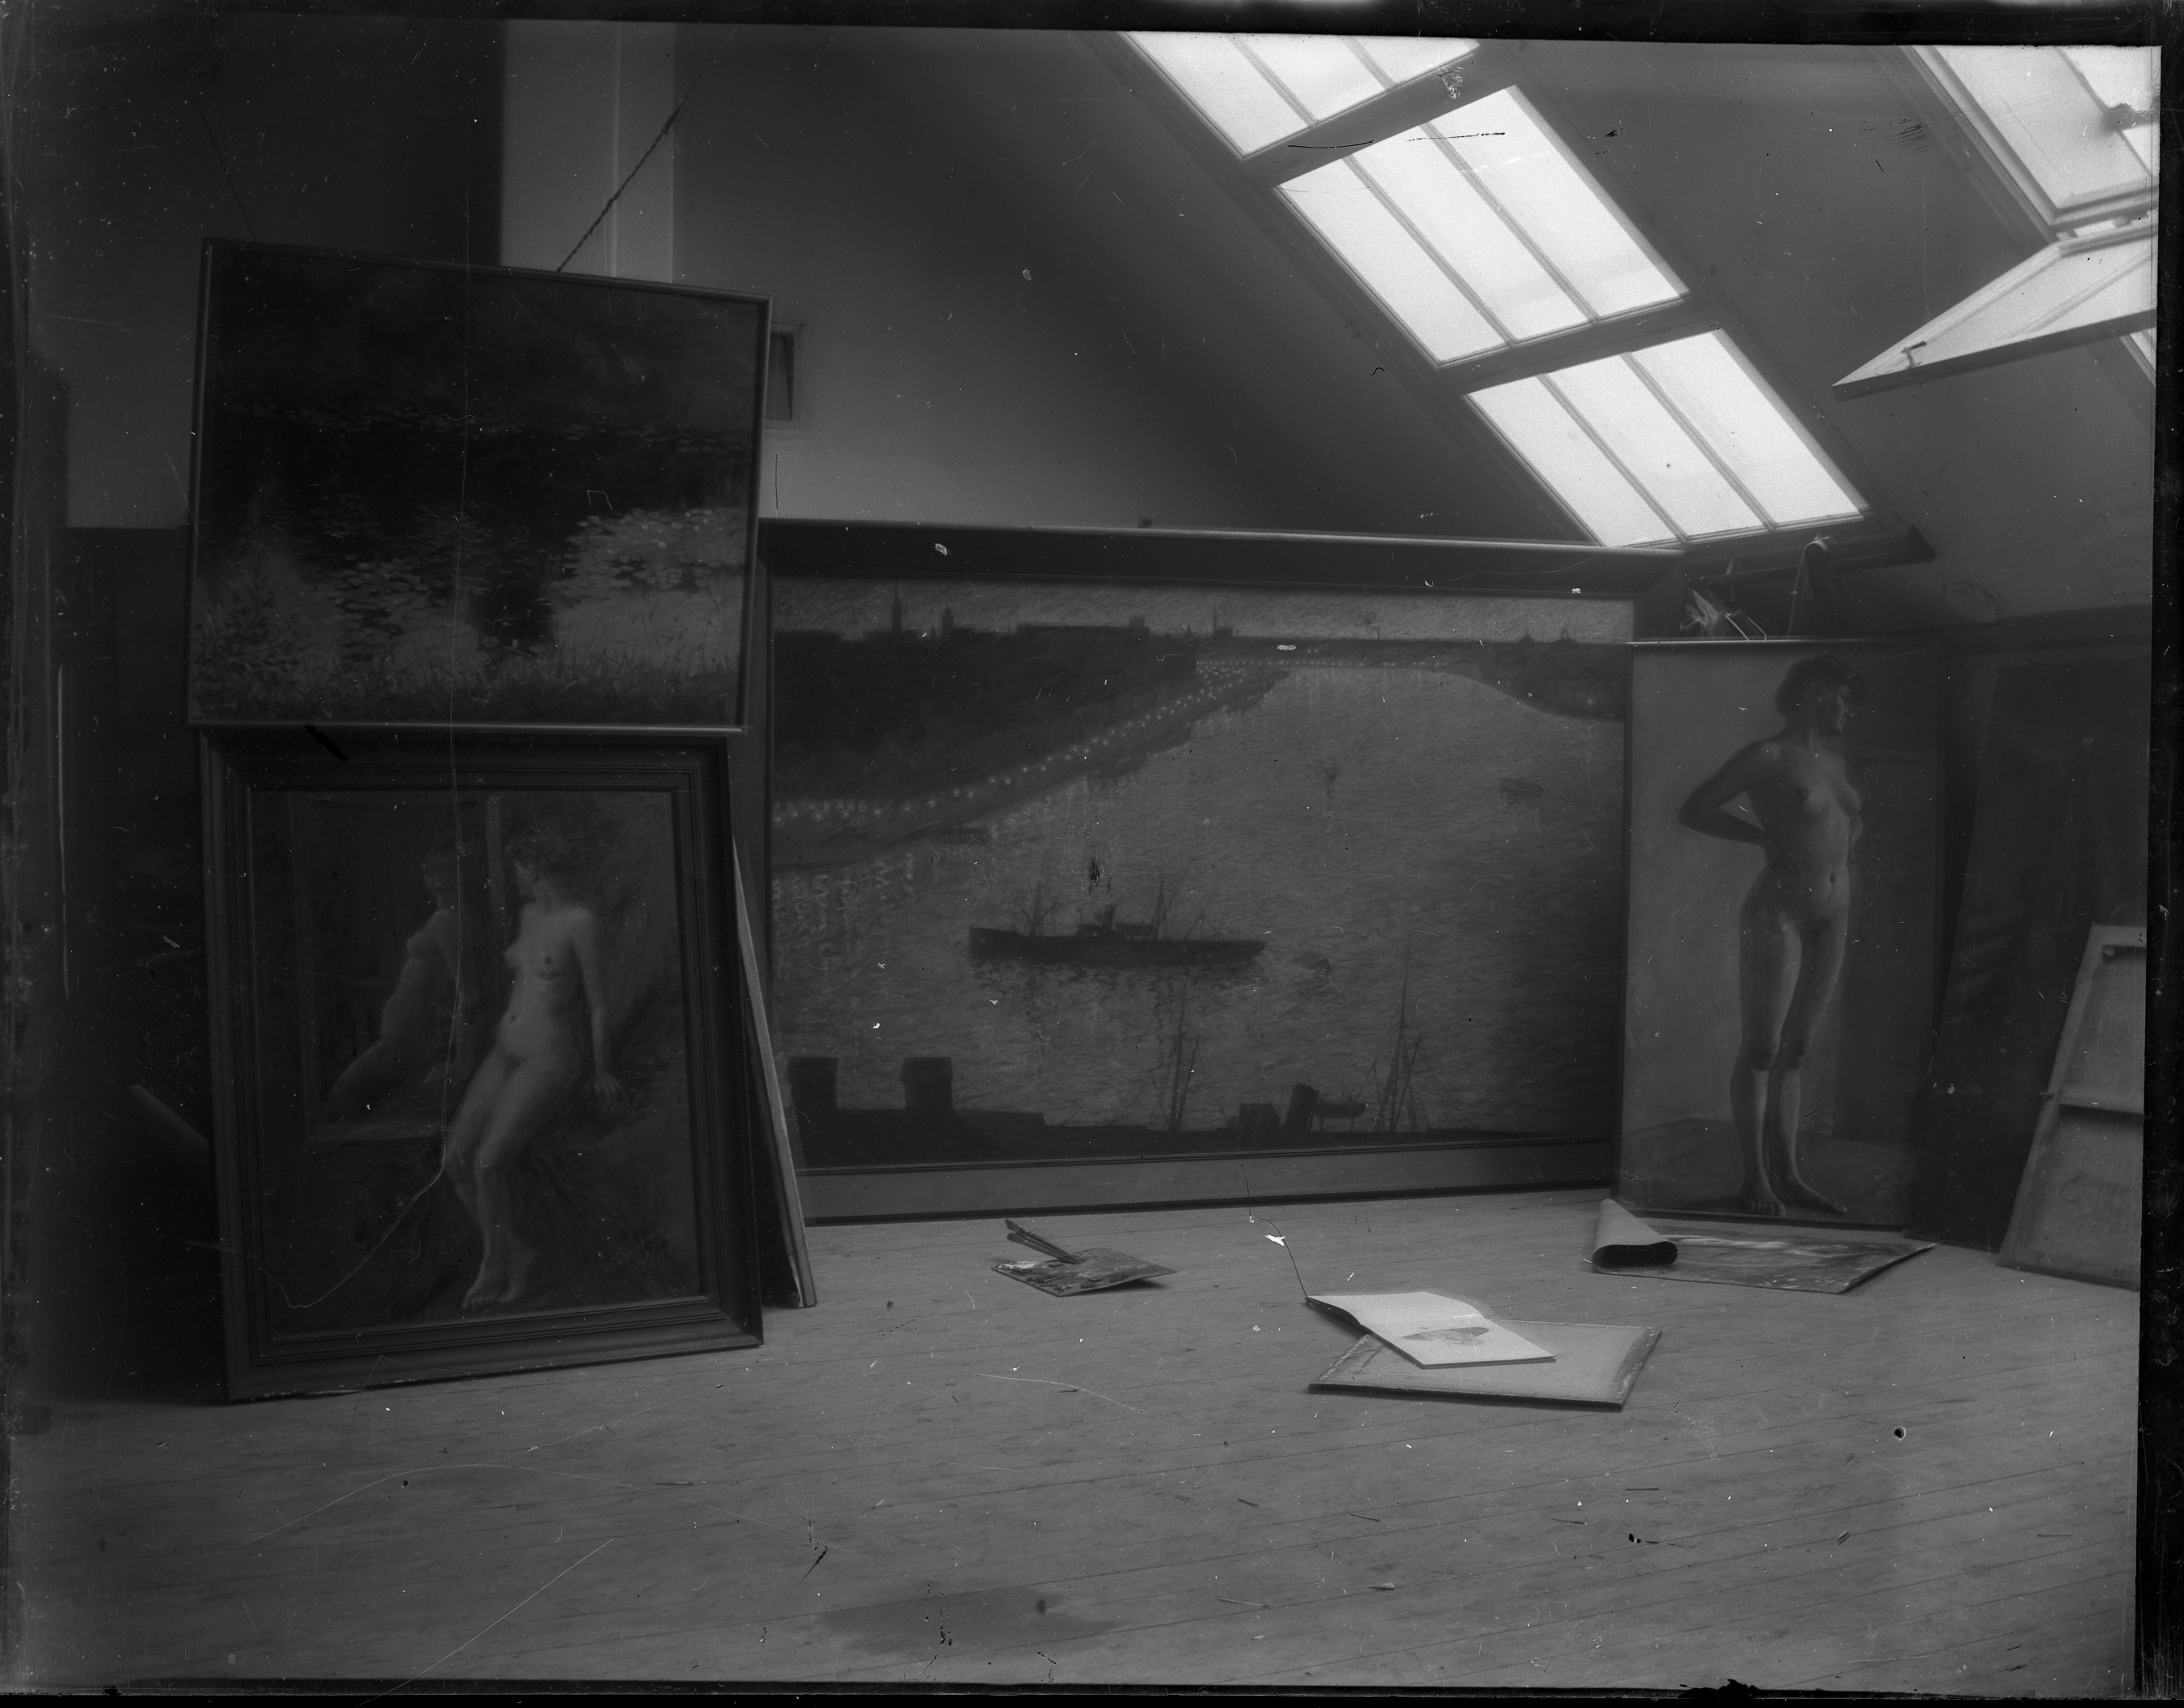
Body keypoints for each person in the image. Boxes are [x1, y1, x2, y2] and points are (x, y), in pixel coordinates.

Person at [1677, 654, 1862, 1218]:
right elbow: (1695, 809)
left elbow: (1845, 824)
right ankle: (1755, 1179)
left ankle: (1791, 1177)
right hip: (1777, 910)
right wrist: (1762, 838)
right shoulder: (1767, 756)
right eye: (1842, 697)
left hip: (1833, 912)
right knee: (1763, 1047)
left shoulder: (1835, 763)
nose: (1849, 709)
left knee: (1798, 1049)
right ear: (1813, 692)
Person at [442, 826, 619, 1311]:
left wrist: (602, 1070)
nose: (515, 877)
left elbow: (599, 1003)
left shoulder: (580, 921)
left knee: (487, 1164)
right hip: (505, 1052)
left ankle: (494, 1266)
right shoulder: (527, 915)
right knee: (454, 1160)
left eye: (518, 869)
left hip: (548, 1057)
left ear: (535, 867)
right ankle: (518, 1255)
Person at [324, 845, 477, 1122]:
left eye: (445, 870)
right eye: (428, 871)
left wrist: (462, 1063)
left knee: (341, 1098)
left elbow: (467, 993)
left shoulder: (447, 920)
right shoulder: (444, 916)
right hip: (403, 1037)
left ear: (460, 872)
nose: (436, 880)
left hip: (409, 1040)